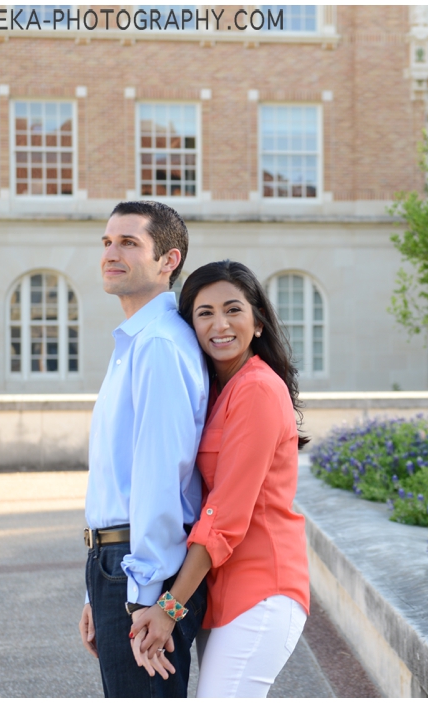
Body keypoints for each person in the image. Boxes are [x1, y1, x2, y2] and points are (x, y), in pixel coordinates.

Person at [128, 260, 311, 698]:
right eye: (204, 313)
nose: (220, 324)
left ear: (259, 323)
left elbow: (223, 514)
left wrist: (169, 607)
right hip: (221, 594)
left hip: (262, 591)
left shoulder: (258, 390)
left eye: (233, 310)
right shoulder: (215, 390)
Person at [79, 201, 210, 697]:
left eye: (129, 243)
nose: (111, 253)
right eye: (107, 242)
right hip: (117, 567)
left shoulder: (157, 344)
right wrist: (93, 592)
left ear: (168, 260)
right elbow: (114, 477)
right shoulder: (135, 342)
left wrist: (145, 599)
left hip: (139, 571)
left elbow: (160, 478)